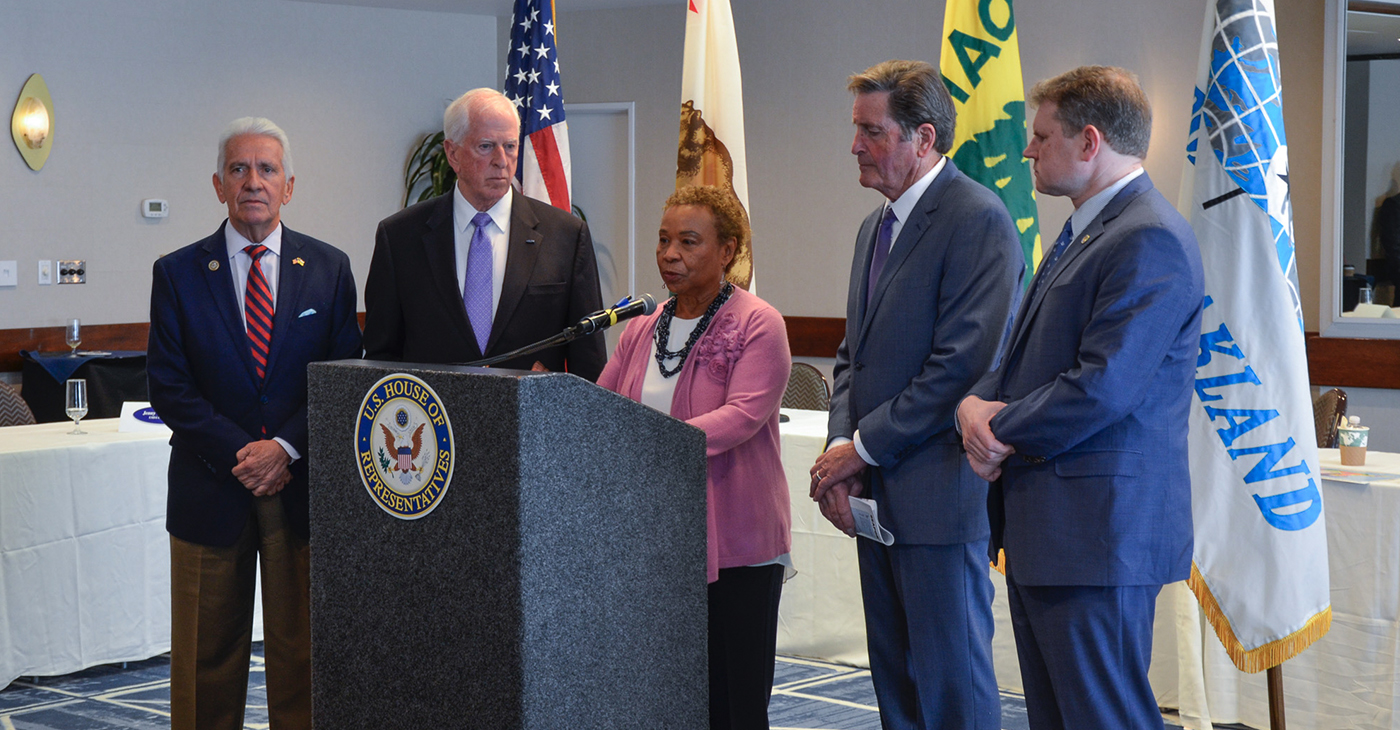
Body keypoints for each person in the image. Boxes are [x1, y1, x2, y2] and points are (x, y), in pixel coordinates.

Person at [956, 66, 1204, 730]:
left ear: (1089, 141)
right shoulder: (1086, 231)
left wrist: (997, 427)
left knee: (1102, 717)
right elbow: (1021, 354)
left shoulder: (1147, 236)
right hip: (1060, 530)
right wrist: (975, 405)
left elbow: (1104, 386)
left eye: (1040, 136)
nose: (1028, 150)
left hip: (1098, 533)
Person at [808, 59, 1023, 730]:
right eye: (856, 130)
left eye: (871, 131)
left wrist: (863, 447)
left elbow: (961, 369)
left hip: (941, 498)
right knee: (896, 684)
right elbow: (853, 358)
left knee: (951, 687)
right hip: (878, 497)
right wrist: (844, 443)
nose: (855, 146)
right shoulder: (873, 229)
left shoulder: (978, 220)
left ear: (923, 139)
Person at [147, 117, 362, 730]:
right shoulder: (178, 272)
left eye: (267, 169)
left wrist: (286, 449)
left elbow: (343, 374)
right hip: (210, 488)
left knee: (306, 657)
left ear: (288, 186)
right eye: (238, 169)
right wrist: (247, 452)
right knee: (203, 660)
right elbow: (168, 384)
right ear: (218, 185)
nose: (253, 182)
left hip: (302, 489)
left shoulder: (329, 267)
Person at [598, 186, 791, 730]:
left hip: (736, 543)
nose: (669, 254)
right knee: (664, 691)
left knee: (733, 698)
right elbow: (603, 405)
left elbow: (742, 416)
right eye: (663, 240)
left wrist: (650, 445)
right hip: (655, 539)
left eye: (688, 241)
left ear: (727, 249)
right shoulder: (641, 325)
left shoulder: (759, 323)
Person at [363, 87, 606, 379]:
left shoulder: (566, 236)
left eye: (511, 146)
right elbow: (381, 359)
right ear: (452, 154)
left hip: (531, 417)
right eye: (486, 146)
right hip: (434, 419)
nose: (502, 160)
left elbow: (589, 363)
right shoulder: (400, 237)